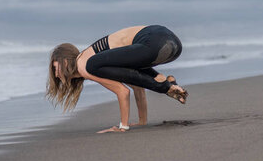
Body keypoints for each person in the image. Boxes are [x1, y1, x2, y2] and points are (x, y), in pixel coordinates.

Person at [46, 24, 188, 133]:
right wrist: (142, 121)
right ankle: (165, 82)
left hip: (154, 42)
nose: (56, 74)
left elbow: (122, 91)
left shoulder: (84, 65)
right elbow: (136, 84)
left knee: (92, 65)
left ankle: (164, 85)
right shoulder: (97, 60)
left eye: (55, 67)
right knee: (132, 75)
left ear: (64, 61)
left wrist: (123, 127)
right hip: (173, 45)